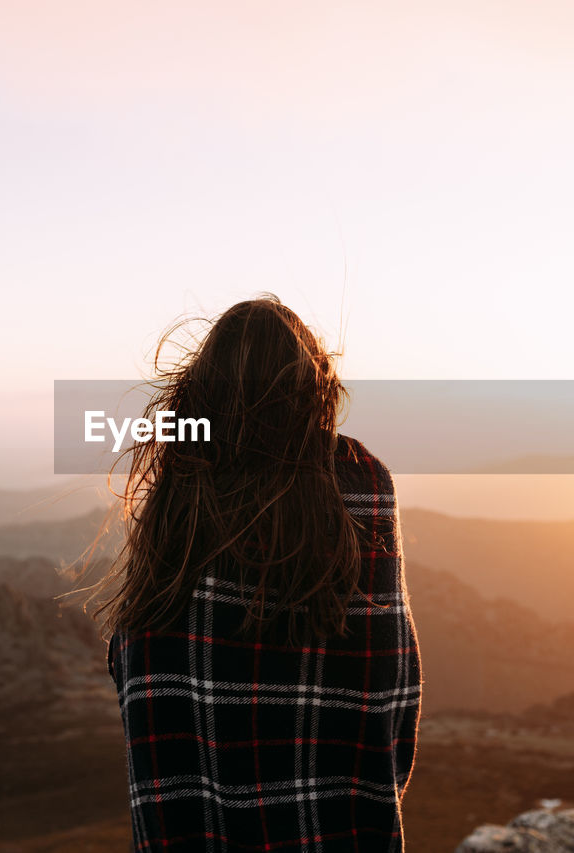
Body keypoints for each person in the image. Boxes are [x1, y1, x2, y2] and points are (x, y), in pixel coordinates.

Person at [94, 294, 422, 852]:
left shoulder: (180, 496)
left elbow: (139, 677)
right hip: (338, 834)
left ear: (203, 388)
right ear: (314, 385)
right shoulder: (361, 481)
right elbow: (394, 679)